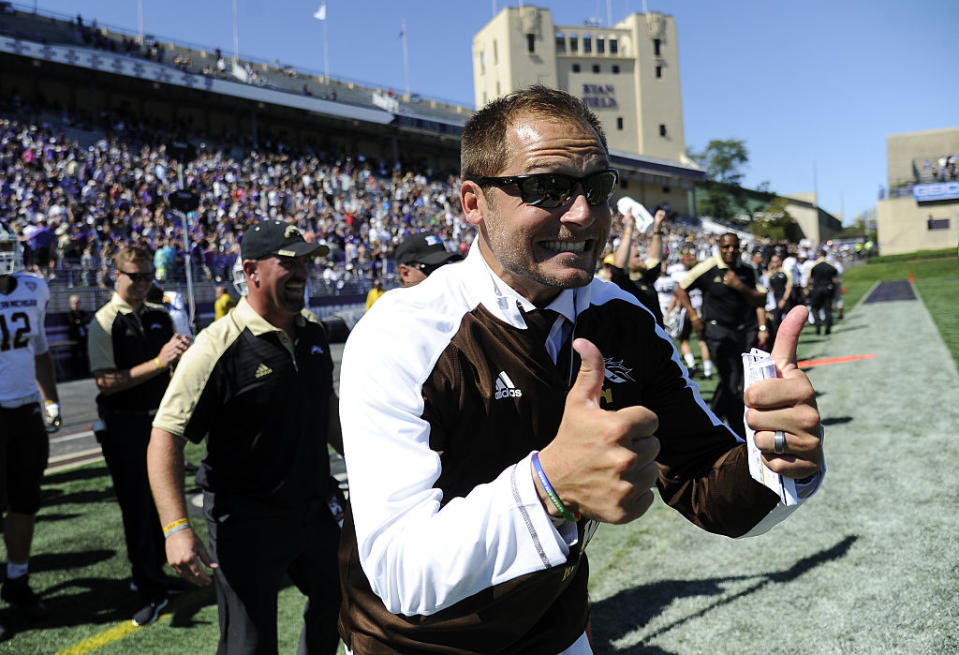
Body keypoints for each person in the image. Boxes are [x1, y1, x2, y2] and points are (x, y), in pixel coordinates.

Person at [337, 86, 825, 654]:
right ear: (473, 202)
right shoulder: (402, 332)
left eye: (597, 187)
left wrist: (776, 456)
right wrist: (549, 489)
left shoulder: (622, 318)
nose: (583, 214)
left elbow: (702, 476)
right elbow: (400, 573)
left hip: (559, 633)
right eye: (547, 188)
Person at [147, 220, 343, 655]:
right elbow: (166, 435)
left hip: (313, 505)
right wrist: (176, 527)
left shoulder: (310, 330)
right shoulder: (216, 347)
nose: (303, 273)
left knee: (342, 600)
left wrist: (367, 467)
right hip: (247, 520)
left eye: (306, 262)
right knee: (249, 644)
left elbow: (324, 405)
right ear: (252, 271)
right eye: (289, 263)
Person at [87, 245, 191, 627]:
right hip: (126, 423)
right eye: (136, 276)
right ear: (116, 275)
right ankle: (147, 584)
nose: (144, 283)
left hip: (160, 421)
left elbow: (166, 370)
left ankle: (157, 575)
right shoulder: (104, 321)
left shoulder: (159, 315)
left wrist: (179, 360)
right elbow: (105, 382)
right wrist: (159, 361)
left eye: (149, 276)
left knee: (160, 503)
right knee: (135, 505)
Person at [0, 223, 60, 636]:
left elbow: (39, 349)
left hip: (25, 412)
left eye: (6, 245)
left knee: (25, 502)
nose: (4, 253)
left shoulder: (33, 289)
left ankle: (17, 580)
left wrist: (50, 399)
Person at [674, 234, 769, 438]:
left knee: (739, 382)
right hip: (717, 331)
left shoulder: (747, 269)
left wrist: (740, 287)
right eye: (726, 247)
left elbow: (761, 298)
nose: (730, 251)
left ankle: (711, 421)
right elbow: (681, 287)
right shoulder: (708, 267)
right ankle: (738, 432)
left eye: (734, 247)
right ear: (719, 247)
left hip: (743, 331)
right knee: (731, 379)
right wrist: (693, 315)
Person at [606, 208, 665, 324]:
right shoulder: (623, 284)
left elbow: (655, 259)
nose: (642, 258)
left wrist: (657, 227)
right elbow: (619, 266)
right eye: (637, 256)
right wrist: (629, 227)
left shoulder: (644, 278)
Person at [393, 232, 462, 287]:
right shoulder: (390, 303)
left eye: (446, 265)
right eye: (431, 268)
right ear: (405, 273)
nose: (442, 273)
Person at [806, 249, 840, 335]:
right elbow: (836, 280)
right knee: (827, 309)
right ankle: (828, 327)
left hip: (816, 289)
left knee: (814, 308)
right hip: (828, 288)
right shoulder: (830, 265)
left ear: (819, 255)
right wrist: (835, 291)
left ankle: (817, 324)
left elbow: (808, 279)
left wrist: (807, 289)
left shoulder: (814, 266)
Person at [66, 294, 91, 380]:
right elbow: (72, 323)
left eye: (77, 303)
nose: (76, 305)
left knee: (85, 355)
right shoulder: (70, 314)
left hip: (83, 338)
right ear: (70, 304)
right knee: (75, 356)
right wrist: (79, 322)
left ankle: (86, 372)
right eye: (74, 303)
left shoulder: (82, 312)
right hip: (74, 339)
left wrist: (79, 322)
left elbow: (85, 320)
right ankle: (76, 373)